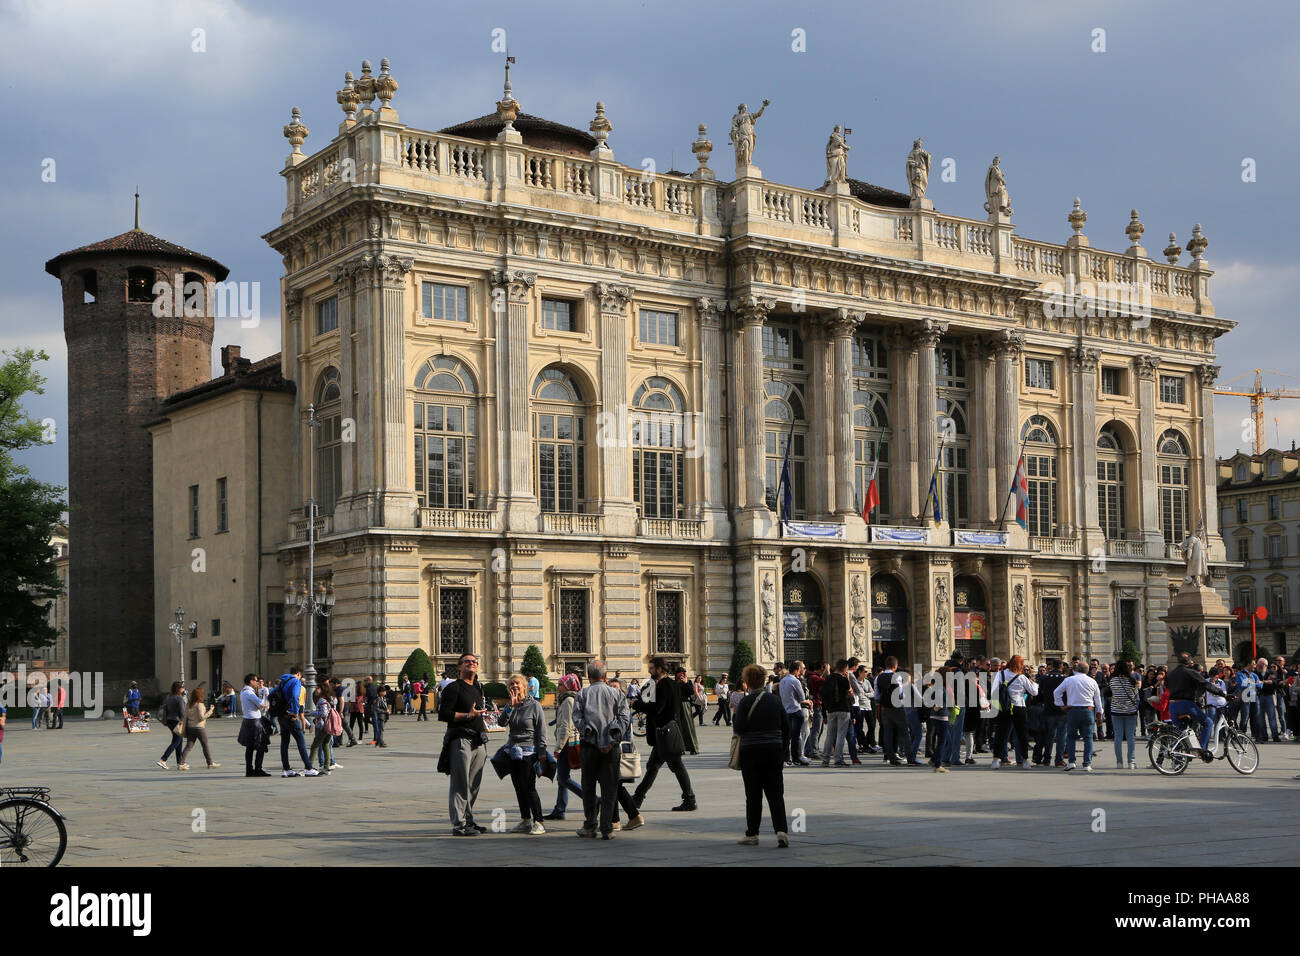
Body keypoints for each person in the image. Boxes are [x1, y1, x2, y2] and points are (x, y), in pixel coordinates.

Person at [574, 660, 631, 839]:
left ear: (588, 677)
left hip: (589, 747)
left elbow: (577, 718)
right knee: (609, 787)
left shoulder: (582, 694)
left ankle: (590, 825)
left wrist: (591, 735)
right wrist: (611, 739)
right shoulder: (616, 693)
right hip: (611, 748)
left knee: (588, 787)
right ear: (606, 676)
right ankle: (607, 828)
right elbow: (624, 718)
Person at [734, 663, 789, 847]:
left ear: (747, 682)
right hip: (773, 751)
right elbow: (786, 726)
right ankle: (781, 831)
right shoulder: (775, 700)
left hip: (751, 753)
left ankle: (752, 834)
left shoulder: (745, 702)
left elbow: (739, 727)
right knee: (775, 793)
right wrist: (783, 748)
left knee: (753, 794)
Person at [631, 656, 696, 812]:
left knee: (674, 765)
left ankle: (689, 799)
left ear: (660, 669)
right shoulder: (667, 684)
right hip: (665, 732)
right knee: (654, 765)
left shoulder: (666, 685)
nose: (649, 670)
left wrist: (637, 705)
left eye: (652, 668)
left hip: (666, 732)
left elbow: (657, 708)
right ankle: (638, 797)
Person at [439, 652, 489, 836]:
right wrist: (468, 716)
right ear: (459, 667)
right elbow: (444, 714)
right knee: (460, 783)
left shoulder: (478, 687)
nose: (471, 664)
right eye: (467, 662)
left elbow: (479, 713)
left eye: (474, 661)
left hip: (478, 740)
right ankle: (459, 824)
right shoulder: (453, 688)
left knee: (473, 784)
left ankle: (468, 819)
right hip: (461, 740)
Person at [499, 674, 548, 834]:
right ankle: (525, 819)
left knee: (529, 787)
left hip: (529, 751)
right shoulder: (512, 705)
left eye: (517, 683)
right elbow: (501, 723)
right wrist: (510, 707)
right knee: (518, 787)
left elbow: (541, 729)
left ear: (525, 686)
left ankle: (539, 821)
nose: (514, 686)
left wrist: (541, 751)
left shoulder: (534, 705)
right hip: (513, 751)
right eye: (511, 684)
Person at [545, 673, 584, 820]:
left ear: (567, 686)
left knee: (563, 778)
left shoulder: (568, 700)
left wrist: (558, 747)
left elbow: (566, 726)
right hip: (568, 743)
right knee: (562, 778)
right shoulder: (567, 699)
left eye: (560, 684)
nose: (558, 687)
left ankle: (593, 799)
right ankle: (560, 809)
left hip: (567, 744)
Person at [1166, 653, 1219, 756]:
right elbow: (1206, 684)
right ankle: (1202, 750)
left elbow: (1168, 686)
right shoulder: (1190, 672)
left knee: (1182, 732)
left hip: (1172, 705)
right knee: (1208, 722)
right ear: (1190, 663)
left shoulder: (1170, 674)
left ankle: (1178, 759)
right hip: (1186, 704)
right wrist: (1222, 694)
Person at [990, 655, 1038, 769]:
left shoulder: (1000, 675)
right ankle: (1025, 761)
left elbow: (993, 690)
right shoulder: (1022, 678)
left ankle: (996, 760)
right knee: (1022, 735)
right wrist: (1034, 682)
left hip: (1004, 708)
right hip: (1018, 707)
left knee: (1001, 735)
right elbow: (1034, 692)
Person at [1055, 662, 1104, 772]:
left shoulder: (1069, 680)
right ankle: (1087, 763)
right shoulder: (1092, 681)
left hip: (1073, 710)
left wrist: (1061, 705)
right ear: (1087, 671)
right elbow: (1098, 699)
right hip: (1088, 710)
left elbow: (1056, 692)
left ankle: (1071, 762)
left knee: (1071, 736)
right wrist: (1100, 713)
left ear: (1076, 669)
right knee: (1088, 738)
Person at [273, 667, 320, 777]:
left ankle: (286, 770)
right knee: (301, 741)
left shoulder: (282, 681)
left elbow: (271, 695)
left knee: (284, 743)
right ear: (299, 673)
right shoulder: (295, 681)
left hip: (281, 716)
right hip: (290, 717)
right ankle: (309, 768)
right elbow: (295, 696)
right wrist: (294, 712)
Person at [1108, 661, 1142, 769]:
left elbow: (1112, 692)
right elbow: (1136, 694)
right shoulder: (1132, 680)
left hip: (1116, 711)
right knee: (1130, 737)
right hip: (1130, 711)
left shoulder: (1112, 680)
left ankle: (1119, 762)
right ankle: (1131, 762)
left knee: (1118, 737)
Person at [821, 659, 854, 767]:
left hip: (831, 709)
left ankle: (825, 759)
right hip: (843, 709)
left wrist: (824, 713)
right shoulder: (844, 680)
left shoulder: (828, 678)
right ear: (845, 668)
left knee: (830, 735)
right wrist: (848, 680)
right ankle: (838, 759)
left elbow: (823, 696)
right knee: (840, 735)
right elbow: (850, 695)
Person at [1034, 661, 1068, 767]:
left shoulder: (1044, 677)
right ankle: (1059, 759)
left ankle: (1047, 758)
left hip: (1048, 709)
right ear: (1061, 667)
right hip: (1062, 710)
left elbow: (1039, 694)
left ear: (1052, 666)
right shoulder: (1065, 678)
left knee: (1049, 736)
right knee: (1062, 736)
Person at [876, 657, 908, 766]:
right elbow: (900, 693)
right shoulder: (897, 676)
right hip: (897, 706)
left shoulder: (878, 677)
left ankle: (890, 756)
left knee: (888, 733)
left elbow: (876, 695)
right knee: (904, 732)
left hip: (885, 707)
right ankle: (910, 756)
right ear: (895, 666)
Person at [779, 661, 812, 766]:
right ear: (797, 670)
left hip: (786, 710)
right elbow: (802, 698)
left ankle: (785, 758)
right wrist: (809, 702)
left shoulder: (783, 680)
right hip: (795, 710)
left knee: (786, 737)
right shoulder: (795, 681)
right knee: (795, 736)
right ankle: (795, 759)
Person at [237, 674, 271, 776]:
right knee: (260, 746)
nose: (257, 682)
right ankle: (258, 769)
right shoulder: (249, 693)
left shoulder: (243, 692)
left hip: (247, 720)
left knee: (250, 747)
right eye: (256, 680)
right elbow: (261, 704)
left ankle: (249, 769)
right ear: (251, 681)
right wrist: (260, 704)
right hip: (255, 721)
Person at [179, 686, 219, 770]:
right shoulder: (199, 704)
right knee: (205, 745)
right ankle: (210, 763)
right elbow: (201, 717)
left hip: (190, 727)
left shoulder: (189, 704)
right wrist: (210, 711)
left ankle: (181, 763)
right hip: (199, 728)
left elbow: (185, 716)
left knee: (188, 746)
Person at [156, 681, 187, 769]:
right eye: (182, 687)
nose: (183, 689)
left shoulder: (169, 697)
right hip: (177, 721)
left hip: (169, 720)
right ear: (179, 689)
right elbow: (181, 712)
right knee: (176, 741)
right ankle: (163, 760)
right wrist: (185, 720)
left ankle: (180, 763)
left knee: (179, 741)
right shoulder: (179, 698)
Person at [306, 685, 336, 774]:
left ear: (323, 690)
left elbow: (324, 713)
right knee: (325, 745)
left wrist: (312, 713)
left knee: (315, 746)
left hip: (322, 726)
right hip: (329, 725)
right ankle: (326, 767)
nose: (316, 689)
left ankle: (309, 766)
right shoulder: (330, 699)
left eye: (318, 688)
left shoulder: (322, 700)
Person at [804, 661, 827, 759]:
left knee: (818, 729)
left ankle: (810, 749)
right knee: (816, 730)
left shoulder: (813, 677)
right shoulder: (814, 678)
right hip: (817, 705)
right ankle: (813, 751)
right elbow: (828, 682)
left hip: (818, 704)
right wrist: (828, 672)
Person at [364, 676, 387, 748]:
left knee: (376, 724)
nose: (364, 682)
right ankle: (378, 740)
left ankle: (377, 739)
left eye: (365, 681)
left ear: (369, 680)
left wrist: (369, 701)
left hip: (372, 706)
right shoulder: (373, 686)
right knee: (377, 724)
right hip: (374, 707)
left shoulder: (370, 687)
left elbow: (371, 697)